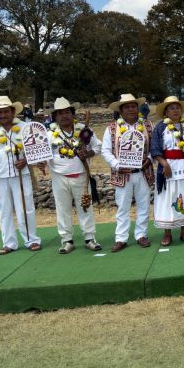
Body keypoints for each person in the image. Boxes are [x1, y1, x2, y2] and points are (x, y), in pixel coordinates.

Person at [0, 96, 42, 255]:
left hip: (21, 174)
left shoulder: (25, 127)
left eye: (6, 111)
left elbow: (35, 151)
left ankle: (32, 240)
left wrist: (26, 161)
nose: (3, 115)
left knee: (25, 208)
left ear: (13, 111)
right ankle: (9, 243)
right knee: (4, 210)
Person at [41, 97, 102, 254]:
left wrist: (89, 152)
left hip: (82, 175)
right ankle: (67, 240)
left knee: (85, 206)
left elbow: (98, 146)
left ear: (72, 113)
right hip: (59, 177)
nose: (64, 116)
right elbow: (43, 155)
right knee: (62, 209)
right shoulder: (49, 134)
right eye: (60, 113)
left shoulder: (84, 130)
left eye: (67, 112)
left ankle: (90, 238)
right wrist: (40, 163)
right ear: (55, 116)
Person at [101, 93, 155, 252]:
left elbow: (154, 147)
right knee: (122, 207)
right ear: (121, 110)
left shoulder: (148, 125)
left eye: (133, 106)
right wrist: (117, 165)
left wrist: (150, 159)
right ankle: (121, 238)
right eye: (127, 107)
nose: (131, 109)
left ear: (137, 108)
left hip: (143, 172)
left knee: (144, 205)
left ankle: (141, 235)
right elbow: (105, 151)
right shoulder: (112, 128)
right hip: (123, 173)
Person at [150, 96, 184, 246]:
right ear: (166, 112)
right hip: (168, 167)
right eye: (171, 108)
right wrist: (164, 164)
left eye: (177, 107)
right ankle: (167, 232)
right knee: (169, 198)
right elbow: (154, 149)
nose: (175, 110)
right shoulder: (161, 127)